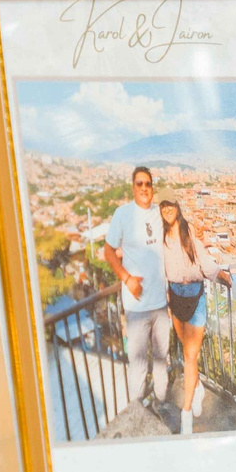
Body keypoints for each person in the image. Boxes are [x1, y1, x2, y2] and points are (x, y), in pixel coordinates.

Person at [97, 166, 172, 420]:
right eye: (139, 184)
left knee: (162, 360)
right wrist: (126, 278)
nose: (144, 188)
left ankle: (160, 406)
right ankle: (138, 414)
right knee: (138, 366)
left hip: (160, 304)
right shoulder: (123, 214)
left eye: (148, 184)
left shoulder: (158, 213)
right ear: (133, 187)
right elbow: (108, 251)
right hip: (137, 307)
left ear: (152, 187)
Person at [158, 196, 230, 436]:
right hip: (175, 296)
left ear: (178, 207)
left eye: (171, 205)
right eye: (163, 207)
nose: (167, 210)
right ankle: (197, 388)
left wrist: (222, 275)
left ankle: (186, 411)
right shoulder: (160, 237)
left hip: (195, 296)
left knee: (190, 355)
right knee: (186, 350)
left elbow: (205, 261)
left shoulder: (188, 232)